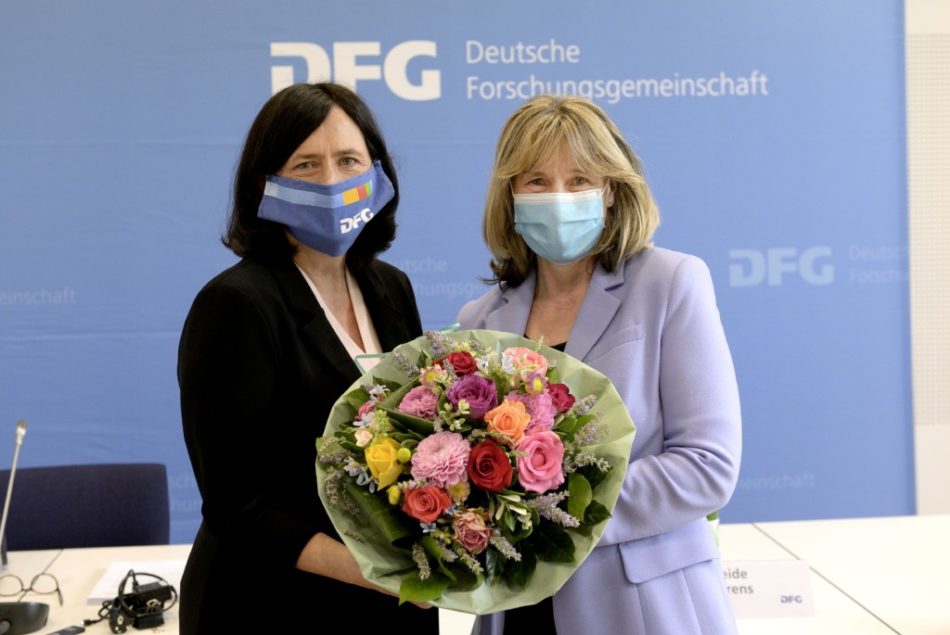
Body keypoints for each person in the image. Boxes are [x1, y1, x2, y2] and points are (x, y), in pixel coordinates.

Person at [458, 95, 742, 634]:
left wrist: (554, 511)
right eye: (537, 181)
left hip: (641, 608)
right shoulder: (480, 318)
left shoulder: (670, 283)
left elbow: (707, 466)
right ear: (510, 194)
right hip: (516, 613)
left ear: (610, 189)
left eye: (580, 179)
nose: (558, 197)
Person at [177, 82, 436, 634]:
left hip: (389, 604)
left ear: (378, 174)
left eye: (348, 161)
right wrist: (379, 574)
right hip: (271, 605)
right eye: (306, 165)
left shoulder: (391, 287)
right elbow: (237, 505)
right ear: (264, 183)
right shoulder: (236, 304)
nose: (332, 181)